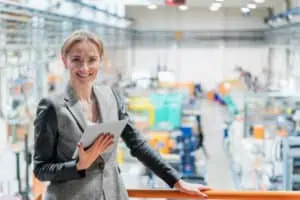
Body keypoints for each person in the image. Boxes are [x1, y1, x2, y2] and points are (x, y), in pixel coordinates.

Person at [33, 30, 210, 200]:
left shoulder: (111, 97)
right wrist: (78, 166)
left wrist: (176, 180)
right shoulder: (52, 107)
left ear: (100, 61)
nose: (84, 68)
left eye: (92, 60)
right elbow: (41, 169)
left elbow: (138, 145)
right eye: (76, 60)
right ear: (65, 61)